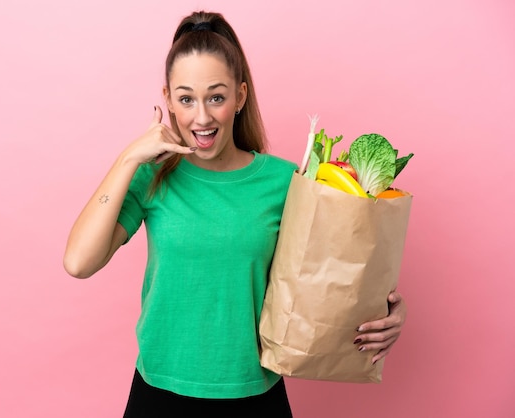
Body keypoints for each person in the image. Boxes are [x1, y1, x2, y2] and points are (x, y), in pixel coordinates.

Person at [63, 10, 407, 417]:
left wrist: (388, 315)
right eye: (186, 98)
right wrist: (128, 160)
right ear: (168, 98)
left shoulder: (286, 182)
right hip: (159, 393)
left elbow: (329, 280)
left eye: (217, 97)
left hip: (255, 396)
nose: (202, 117)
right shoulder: (152, 175)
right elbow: (79, 262)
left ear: (240, 97)